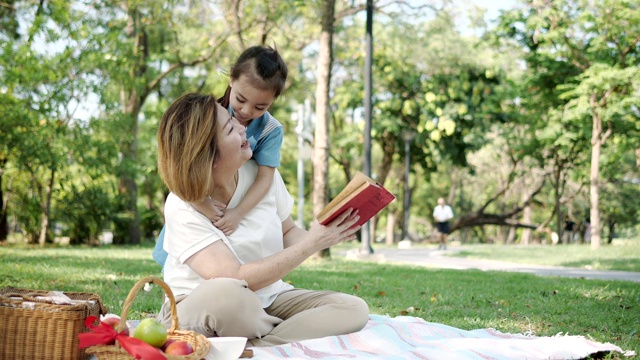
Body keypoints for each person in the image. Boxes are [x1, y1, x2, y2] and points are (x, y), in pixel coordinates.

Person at [155, 92, 369, 346]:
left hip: (267, 300)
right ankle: (272, 335)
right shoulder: (182, 205)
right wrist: (311, 244)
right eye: (229, 127)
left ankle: (261, 345)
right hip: (203, 305)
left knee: (352, 308)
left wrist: (323, 233)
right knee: (228, 293)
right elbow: (235, 276)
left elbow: (288, 232)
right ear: (209, 157)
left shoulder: (262, 178)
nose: (241, 125)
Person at [153, 45, 288, 267]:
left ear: (273, 101)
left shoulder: (270, 130)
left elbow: (266, 178)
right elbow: (181, 164)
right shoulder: (210, 114)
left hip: (237, 195)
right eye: (241, 99)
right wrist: (199, 202)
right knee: (185, 248)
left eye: (260, 107)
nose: (246, 111)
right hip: (201, 192)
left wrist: (239, 213)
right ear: (231, 80)